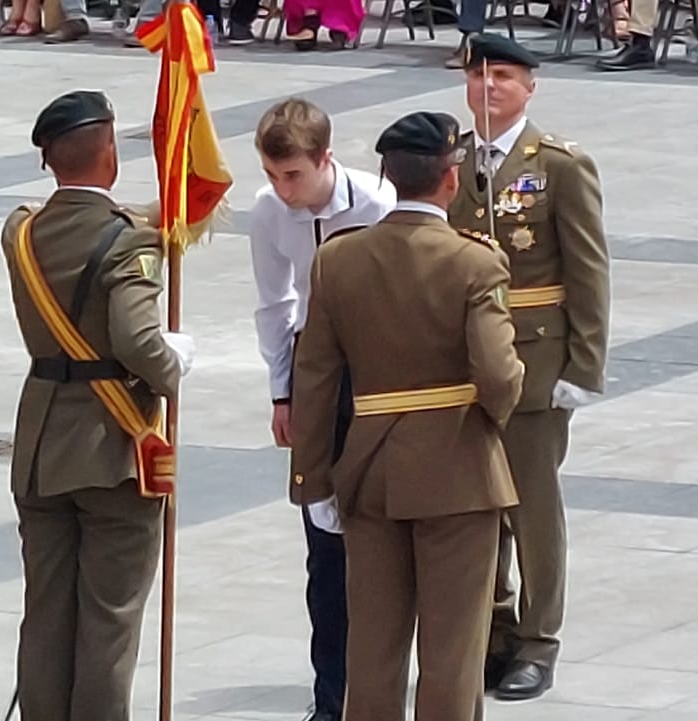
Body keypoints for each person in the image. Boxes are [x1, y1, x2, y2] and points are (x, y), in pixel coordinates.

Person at [290, 110, 524, 721]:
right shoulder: (476, 262)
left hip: (369, 472)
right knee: (452, 652)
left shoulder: (338, 260)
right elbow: (498, 374)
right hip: (458, 471)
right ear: (450, 180)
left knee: (372, 647)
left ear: (386, 177)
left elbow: (313, 379)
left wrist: (312, 480)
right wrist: (494, 420)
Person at [0, 89, 196, 721]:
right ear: (109, 151)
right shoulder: (127, 244)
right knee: (108, 625)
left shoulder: (21, 231)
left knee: (47, 617)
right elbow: (138, 342)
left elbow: (73, 227)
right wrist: (174, 362)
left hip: (40, 443)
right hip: (113, 447)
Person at [449, 33, 610, 701]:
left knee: (532, 509)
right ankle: (494, 628)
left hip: (535, 358)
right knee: (474, 503)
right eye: (480, 75)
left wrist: (584, 366)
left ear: (530, 86)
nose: (490, 87)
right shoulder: (450, 158)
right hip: (463, 361)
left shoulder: (558, 165)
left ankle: (539, 640)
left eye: (505, 76)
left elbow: (588, 269)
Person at [246, 97, 395, 721]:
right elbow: (274, 304)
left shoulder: (376, 205)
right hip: (314, 373)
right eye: (273, 175)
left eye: (294, 176)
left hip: (377, 369)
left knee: (380, 538)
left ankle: (378, 686)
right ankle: (329, 697)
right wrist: (282, 392)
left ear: (325, 159)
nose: (282, 190)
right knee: (323, 547)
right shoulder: (268, 212)